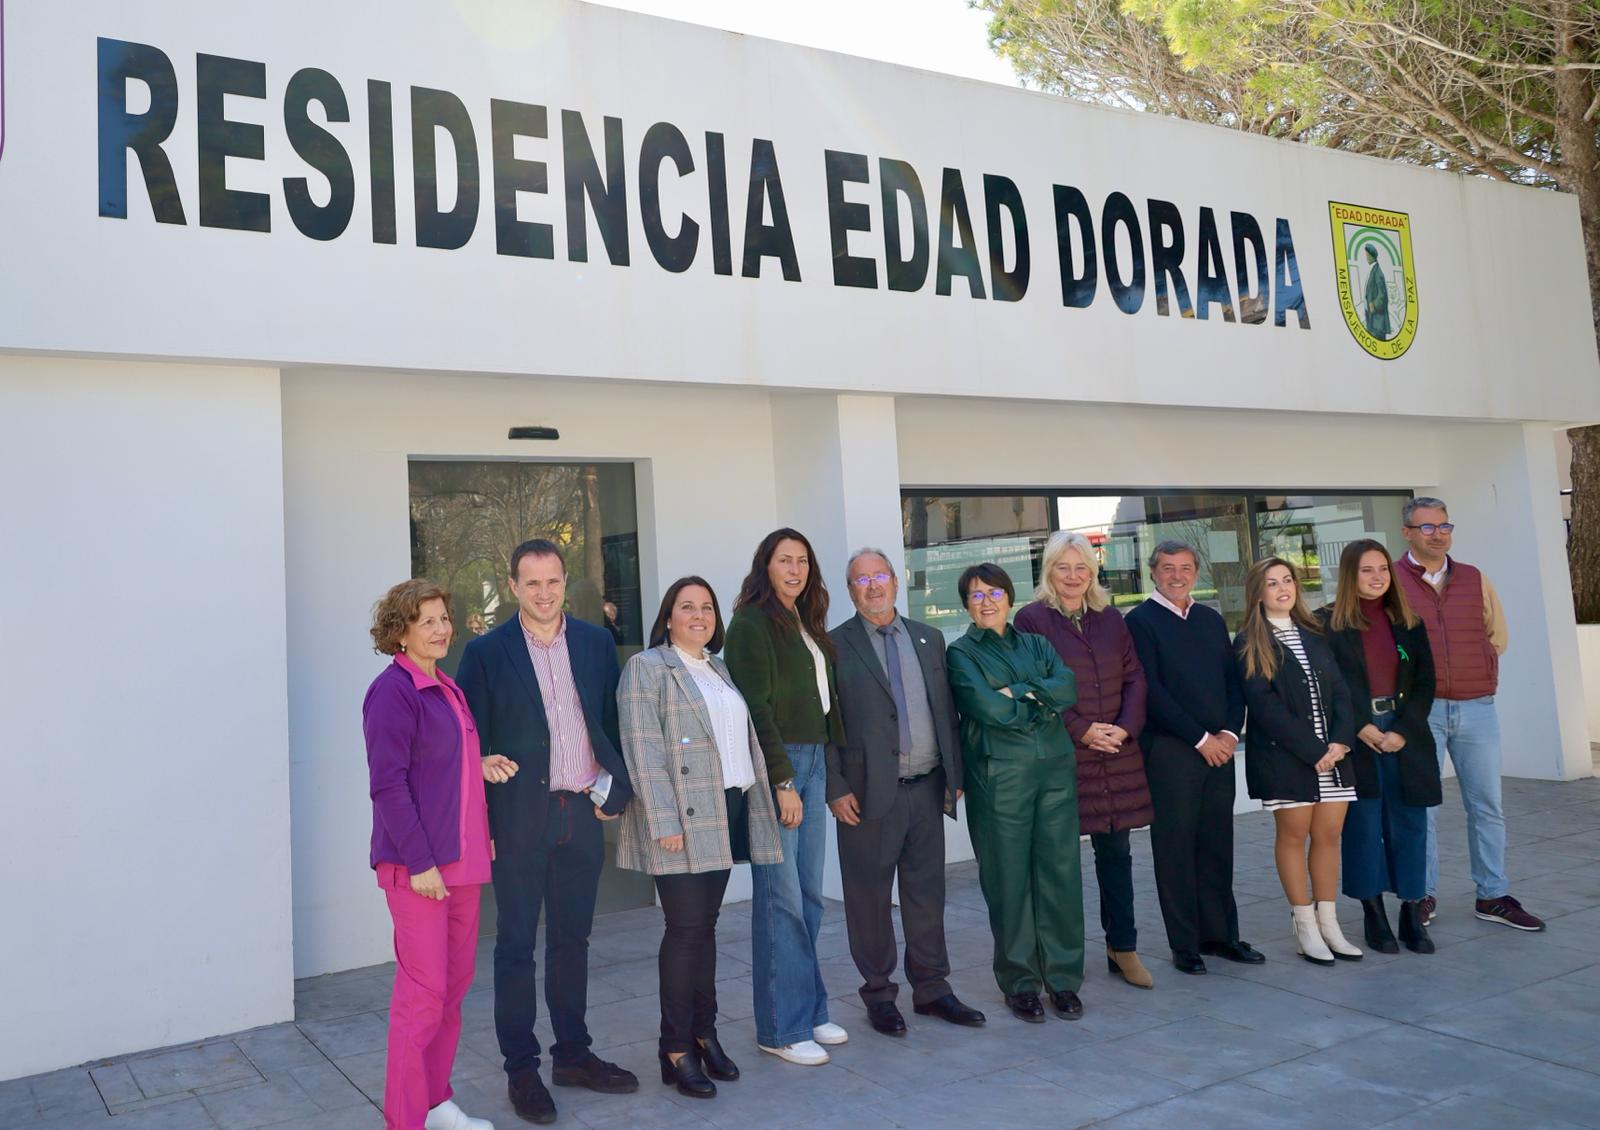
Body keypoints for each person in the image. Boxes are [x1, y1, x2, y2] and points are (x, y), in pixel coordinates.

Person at [456, 540, 637, 1126]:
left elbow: (613, 723)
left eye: (553, 581)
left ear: (564, 582)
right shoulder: (486, 652)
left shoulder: (594, 642)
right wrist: (481, 822)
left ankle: (573, 1056)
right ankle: (522, 1069)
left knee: (571, 940)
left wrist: (617, 790)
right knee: (515, 945)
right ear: (513, 586)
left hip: (579, 813)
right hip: (518, 818)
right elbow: (467, 739)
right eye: (531, 582)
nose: (543, 592)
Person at [616, 577, 784, 1098]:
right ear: (668, 617)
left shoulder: (718, 668)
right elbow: (643, 751)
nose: (699, 615)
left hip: (724, 809)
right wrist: (664, 821)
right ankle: (674, 1047)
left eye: (707, 607)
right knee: (685, 929)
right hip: (680, 818)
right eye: (687, 607)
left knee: (705, 929)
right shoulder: (647, 667)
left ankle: (704, 1033)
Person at [363, 580, 518, 1130]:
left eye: (444, 618)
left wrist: (479, 766)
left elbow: (440, 763)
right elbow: (389, 785)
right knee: (422, 998)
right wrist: (420, 863)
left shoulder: (447, 687)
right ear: (400, 631)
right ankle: (405, 1120)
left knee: (451, 991)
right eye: (426, 620)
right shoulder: (393, 691)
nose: (440, 629)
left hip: (462, 863)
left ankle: (434, 1102)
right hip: (420, 869)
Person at [827, 549, 986, 1035]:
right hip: (866, 796)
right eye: (861, 580)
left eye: (880, 576)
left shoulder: (929, 638)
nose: (873, 586)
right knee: (869, 899)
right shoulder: (832, 646)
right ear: (850, 591)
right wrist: (835, 787)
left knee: (926, 894)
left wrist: (954, 774)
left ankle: (933, 989)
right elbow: (824, 724)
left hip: (927, 788)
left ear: (896, 582)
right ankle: (879, 994)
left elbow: (946, 712)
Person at [723, 528, 849, 1065]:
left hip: (815, 759)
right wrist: (782, 781)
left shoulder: (805, 619)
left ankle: (810, 1010)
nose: (795, 570)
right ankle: (780, 1028)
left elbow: (825, 704)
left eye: (802, 561)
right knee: (782, 899)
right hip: (782, 764)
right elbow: (755, 708)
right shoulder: (750, 624)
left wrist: (830, 773)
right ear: (766, 566)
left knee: (810, 896)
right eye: (784, 561)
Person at [1394, 497, 1545, 932]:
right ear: (1407, 533)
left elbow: (1497, 636)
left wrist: (1477, 665)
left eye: (1444, 526)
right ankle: (1421, 895)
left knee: (1487, 806)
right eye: (1427, 527)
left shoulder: (1474, 578)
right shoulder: (1392, 581)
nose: (1438, 534)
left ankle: (1492, 894)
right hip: (1420, 712)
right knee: (1422, 808)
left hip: (1476, 707)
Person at [1014, 531, 1155, 990]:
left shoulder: (1111, 618)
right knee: (1056, 864)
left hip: (1116, 755)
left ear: (1093, 573)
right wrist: (1082, 730)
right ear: (1049, 572)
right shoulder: (1032, 619)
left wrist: (1124, 728)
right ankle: (1056, 955)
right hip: (1064, 757)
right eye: (1063, 567)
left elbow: (1135, 677)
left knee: (1116, 855)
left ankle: (1123, 947)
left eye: (1081, 568)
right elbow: (1034, 685)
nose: (1073, 577)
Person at [946, 562, 1085, 1023]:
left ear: (1009, 596)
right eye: (976, 595)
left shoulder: (1037, 643)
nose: (986, 601)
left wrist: (1018, 691)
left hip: (1055, 771)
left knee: (1060, 875)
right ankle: (1020, 983)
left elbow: (1067, 687)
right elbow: (987, 708)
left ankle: (1063, 979)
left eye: (994, 592)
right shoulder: (961, 653)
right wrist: (1038, 702)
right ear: (966, 605)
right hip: (1000, 777)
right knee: (1008, 881)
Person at [1126, 541, 1261, 975]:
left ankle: (1221, 936)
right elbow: (1150, 691)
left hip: (1219, 750)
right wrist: (1200, 738)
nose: (1177, 576)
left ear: (1196, 573)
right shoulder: (1140, 622)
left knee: (1217, 844)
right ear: (1153, 573)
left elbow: (1233, 681)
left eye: (1185, 568)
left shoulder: (1210, 619)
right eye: (1168, 568)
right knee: (1176, 849)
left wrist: (1229, 733)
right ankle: (1185, 945)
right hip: (1172, 751)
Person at [1235, 557, 1364, 966]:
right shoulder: (1249, 641)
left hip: (1334, 758)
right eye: (1272, 583)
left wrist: (1340, 742)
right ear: (1258, 593)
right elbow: (1265, 708)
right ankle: (1305, 926)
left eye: (1287, 580)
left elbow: (1342, 692)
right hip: (1287, 759)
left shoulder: (1315, 632)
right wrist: (1314, 752)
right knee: (1294, 836)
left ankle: (1329, 924)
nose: (1282, 588)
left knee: (1329, 836)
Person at [1318, 540, 1440, 955]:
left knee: (1410, 824)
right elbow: (1328, 686)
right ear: (1349, 575)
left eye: (1383, 569)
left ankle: (1411, 911)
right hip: (1357, 736)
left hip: (1405, 735)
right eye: (1366, 570)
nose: (1377, 577)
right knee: (1364, 827)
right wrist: (1360, 726)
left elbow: (1425, 682)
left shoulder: (1409, 622)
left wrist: (1403, 730)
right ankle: (1373, 913)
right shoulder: (1327, 624)